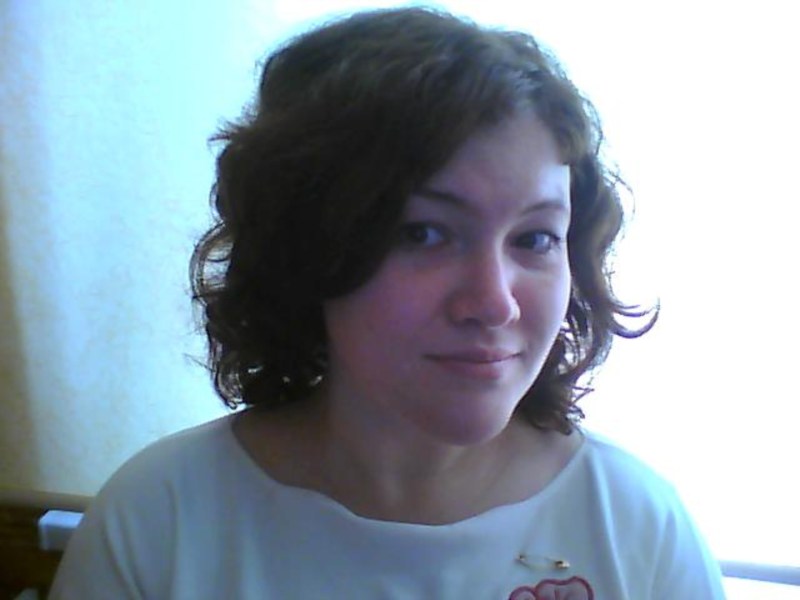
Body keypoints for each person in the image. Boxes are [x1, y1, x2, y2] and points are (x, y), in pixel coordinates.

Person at [50, 7, 726, 599]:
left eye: (535, 238)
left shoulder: (638, 528)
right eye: (424, 233)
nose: (494, 303)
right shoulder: (160, 522)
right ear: (306, 244)